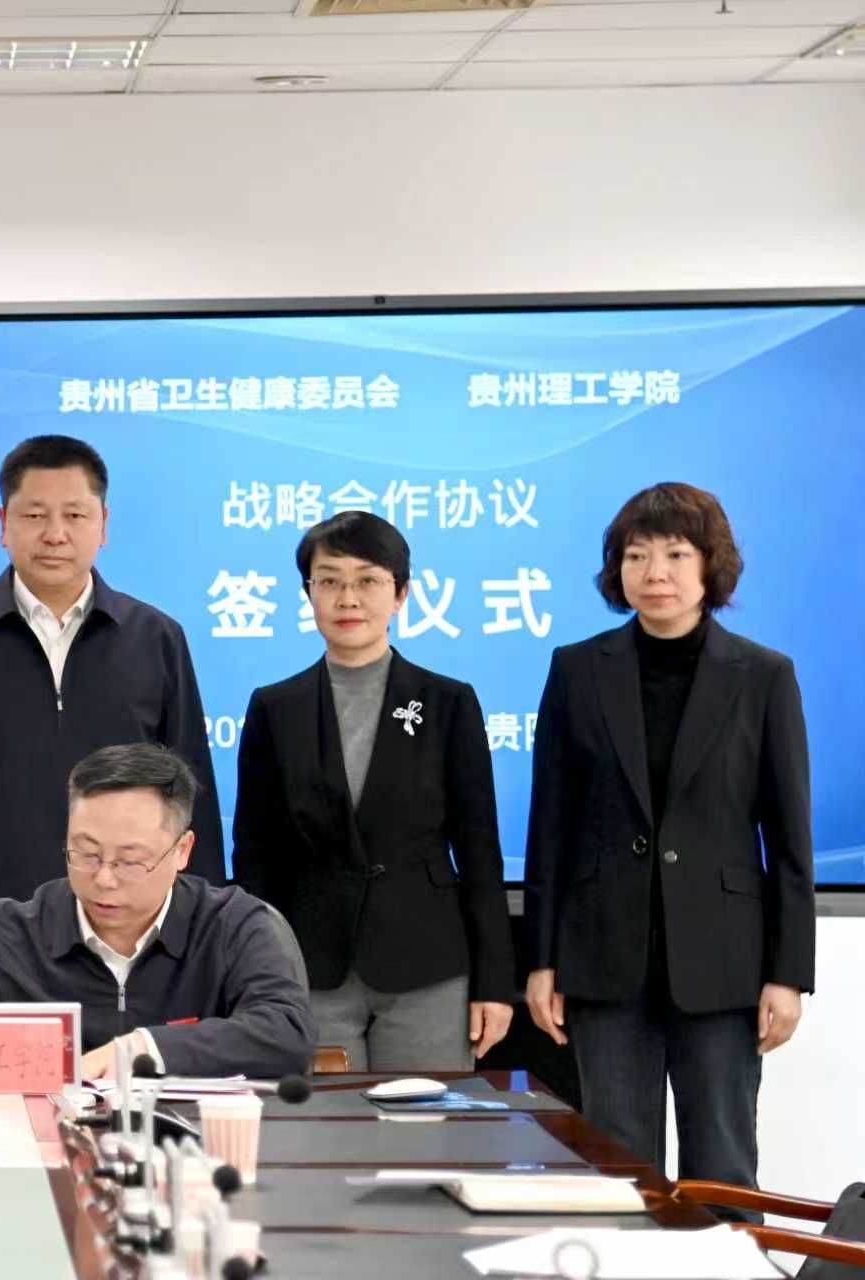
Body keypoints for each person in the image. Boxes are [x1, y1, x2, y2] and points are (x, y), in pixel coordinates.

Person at [524, 482, 813, 1195]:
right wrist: (542, 961)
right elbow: (551, 827)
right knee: (620, 1172)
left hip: (724, 963)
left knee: (723, 1166)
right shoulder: (577, 670)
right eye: (637, 555)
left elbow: (790, 840)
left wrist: (787, 973)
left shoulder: (764, 676)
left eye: (676, 554)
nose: (655, 572)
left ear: (710, 566)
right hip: (603, 959)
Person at [0, 435, 223, 996]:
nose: (55, 534)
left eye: (75, 515)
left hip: (133, 937)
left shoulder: (155, 637)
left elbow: (191, 798)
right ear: (3, 523)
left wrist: (202, 937)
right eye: (35, 515)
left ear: (103, 524)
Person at [232, 512, 513, 1071]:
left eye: (368, 580)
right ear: (308, 593)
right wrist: (254, 972)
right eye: (329, 580)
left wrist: (496, 982)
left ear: (400, 594)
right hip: (309, 964)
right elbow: (255, 856)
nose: (348, 598)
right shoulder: (275, 707)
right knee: (321, 1122)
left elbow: (480, 852)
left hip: (426, 963)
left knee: (427, 1122)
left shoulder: (448, 702)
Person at [0, 744, 313, 1080]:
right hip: (42, 1156)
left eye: (130, 861)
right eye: (84, 853)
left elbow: (287, 1033)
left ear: (182, 851)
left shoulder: (232, 925)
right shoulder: (8, 933)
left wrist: (143, 1048)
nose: (103, 878)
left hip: (192, 1152)